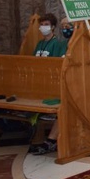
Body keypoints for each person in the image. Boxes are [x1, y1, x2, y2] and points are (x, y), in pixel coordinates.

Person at [28, 13, 67, 155]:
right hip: (38, 80)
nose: (43, 27)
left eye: (46, 25)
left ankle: (49, 139)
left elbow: (56, 64)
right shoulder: (40, 43)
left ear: (53, 27)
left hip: (50, 82)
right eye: (42, 25)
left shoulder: (57, 44)